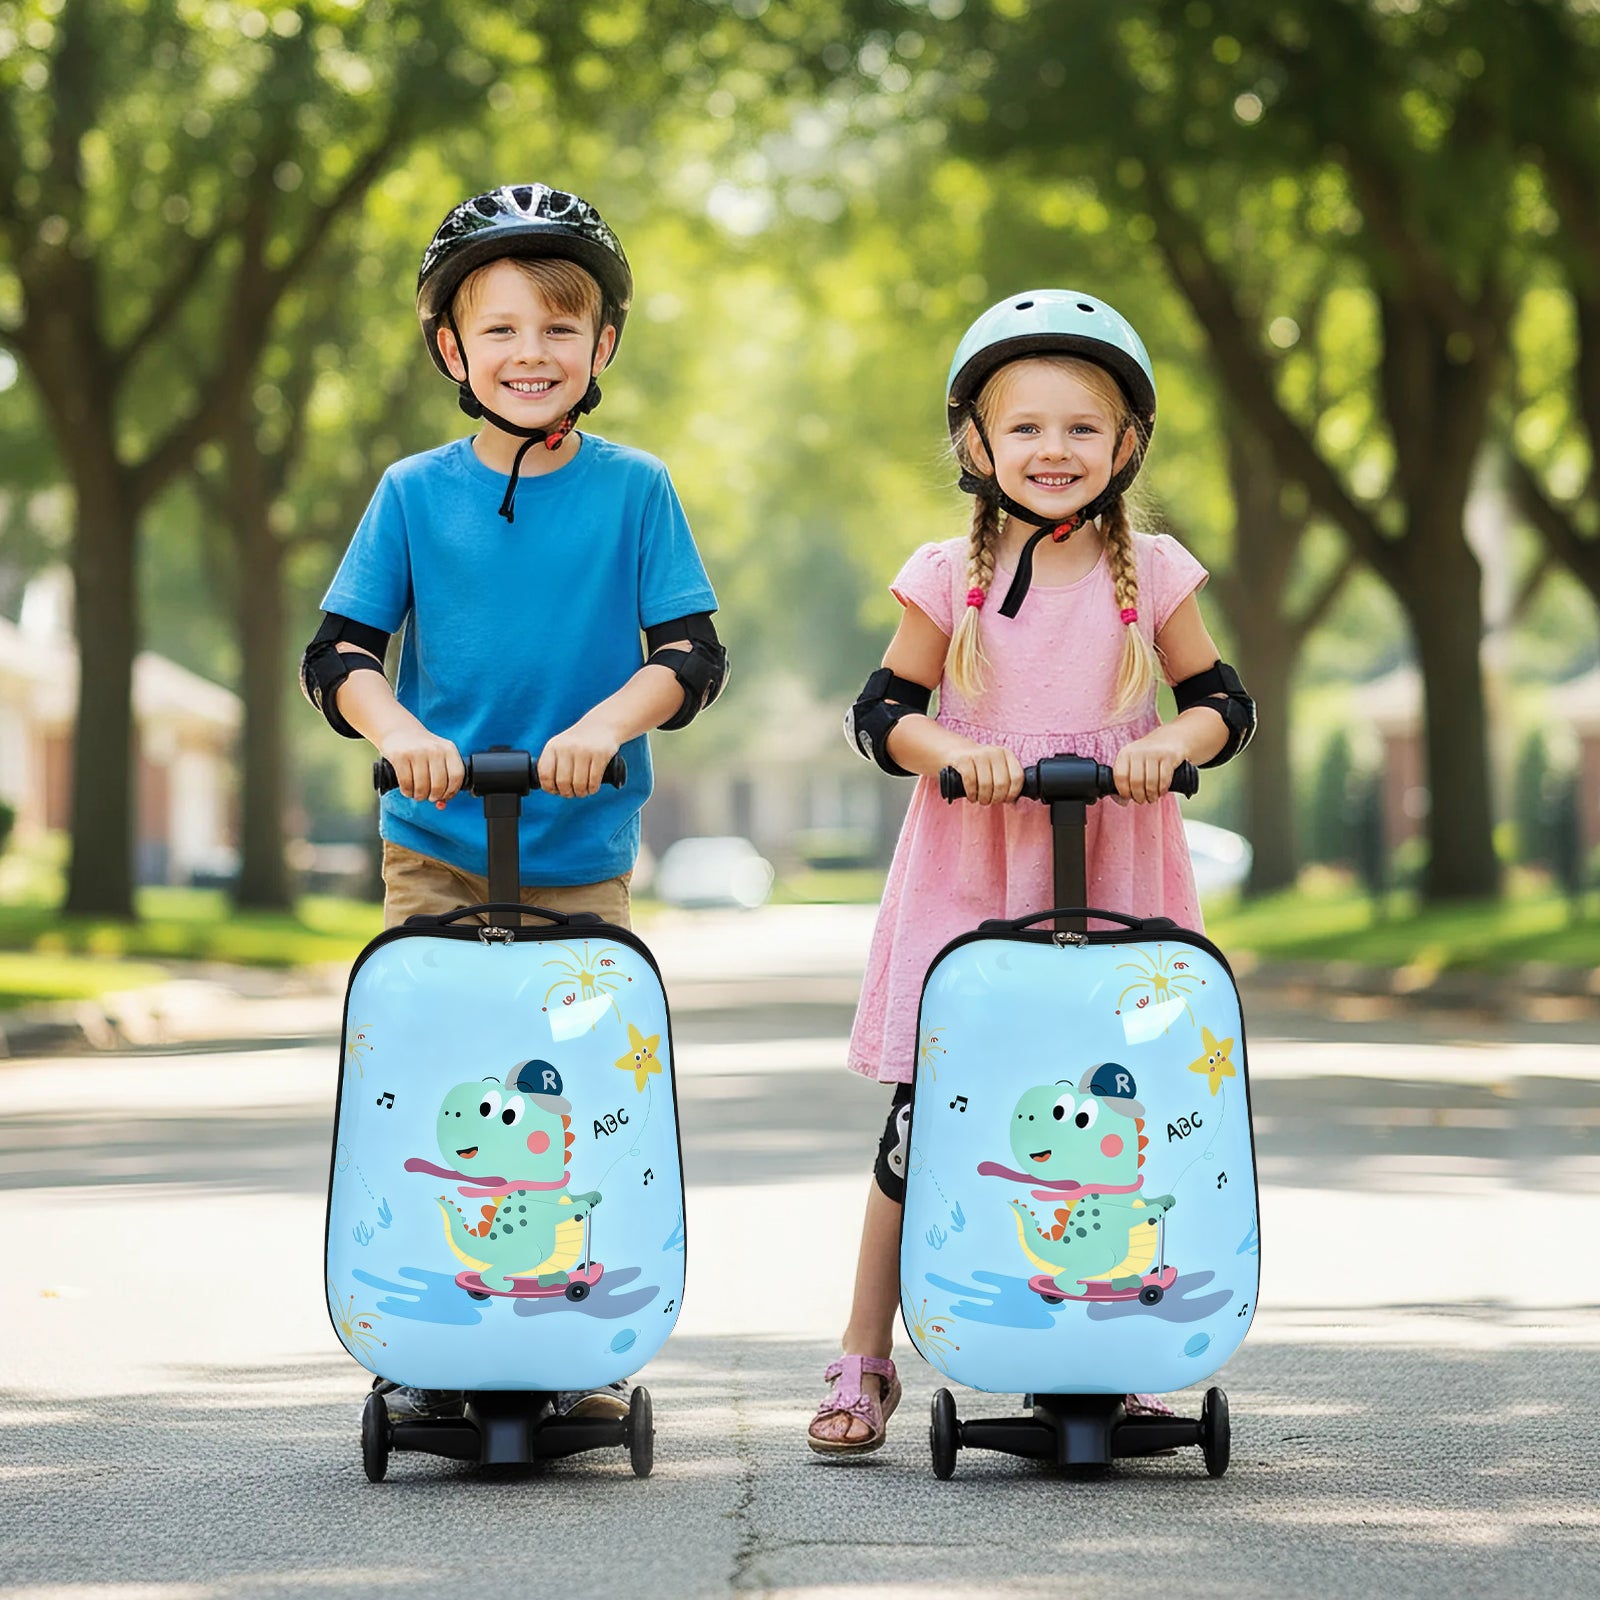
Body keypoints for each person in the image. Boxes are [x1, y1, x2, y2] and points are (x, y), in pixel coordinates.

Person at [300, 183, 727, 1420]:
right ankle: (431, 1319)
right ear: (451, 348)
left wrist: (603, 724)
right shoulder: (411, 492)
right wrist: (404, 731)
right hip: (434, 843)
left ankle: (576, 1326)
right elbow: (338, 655)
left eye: (557, 328)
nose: (528, 353)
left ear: (602, 349)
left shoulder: (635, 489)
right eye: (498, 329)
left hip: (577, 845)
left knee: (571, 1087)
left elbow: (690, 653)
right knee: (438, 1082)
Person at [810, 290, 1256, 1455]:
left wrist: (1171, 741)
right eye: (1025, 428)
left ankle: (1139, 1341)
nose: (1052, 450)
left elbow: (1222, 701)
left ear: (1125, 447)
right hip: (974, 873)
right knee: (930, 1120)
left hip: (1121, 868)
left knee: (1131, 1113)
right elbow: (882, 710)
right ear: (976, 443)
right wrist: (952, 751)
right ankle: (865, 1351)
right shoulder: (941, 577)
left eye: (1080, 428)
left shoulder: (1150, 573)